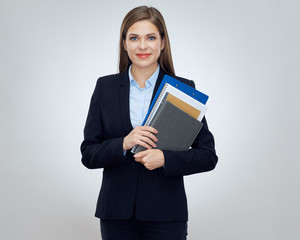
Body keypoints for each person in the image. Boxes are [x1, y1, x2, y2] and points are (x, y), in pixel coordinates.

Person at [80, 6, 218, 240]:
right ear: (124, 43)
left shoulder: (183, 90)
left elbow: (208, 156)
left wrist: (166, 159)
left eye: (151, 37)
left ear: (162, 42)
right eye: (134, 38)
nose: (142, 46)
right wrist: (123, 143)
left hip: (166, 216)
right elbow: (88, 154)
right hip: (116, 217)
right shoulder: (106, 88)